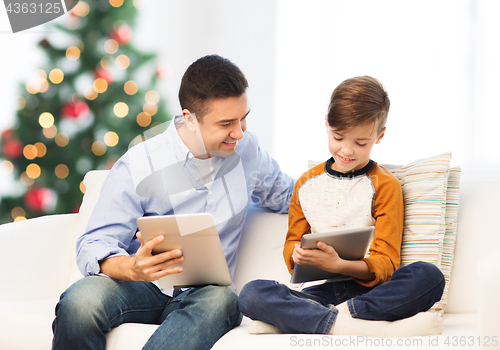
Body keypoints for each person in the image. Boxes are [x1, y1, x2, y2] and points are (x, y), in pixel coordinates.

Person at [51, 55, 295, 350]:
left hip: (207, 294)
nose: (239, 132)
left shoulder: (248, 151)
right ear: (190, 119)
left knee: (223, 300)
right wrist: (133, 268)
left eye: (244, 118)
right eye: (226, 123)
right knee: (80, 301)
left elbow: (289, 197)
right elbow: (94, 243)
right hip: (142, 287)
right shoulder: (140, 164)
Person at [238, 76, 446, 337]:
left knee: (429, 276)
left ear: (379, 136)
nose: (347, 151)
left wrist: (340, 265)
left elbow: (386, 263)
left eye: (361, 143)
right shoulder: (306, 183)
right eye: (338, 137)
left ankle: (317, 317)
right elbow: (292, 245)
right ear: (326, 123)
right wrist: (297, 255)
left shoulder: (384, 185)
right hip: (325, 291)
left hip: (374, 291)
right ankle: (355, 323)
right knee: (251, 294)